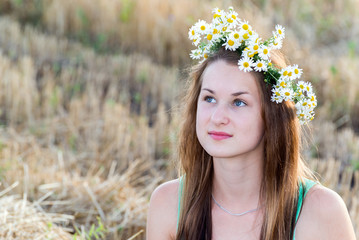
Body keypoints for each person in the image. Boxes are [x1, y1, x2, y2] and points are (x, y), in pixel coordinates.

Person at [146, 7, 356, 240]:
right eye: (209, 98)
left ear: (271, 116)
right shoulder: (168, 205)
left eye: (238, 102)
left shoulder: (319, 213)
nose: (217, 117)